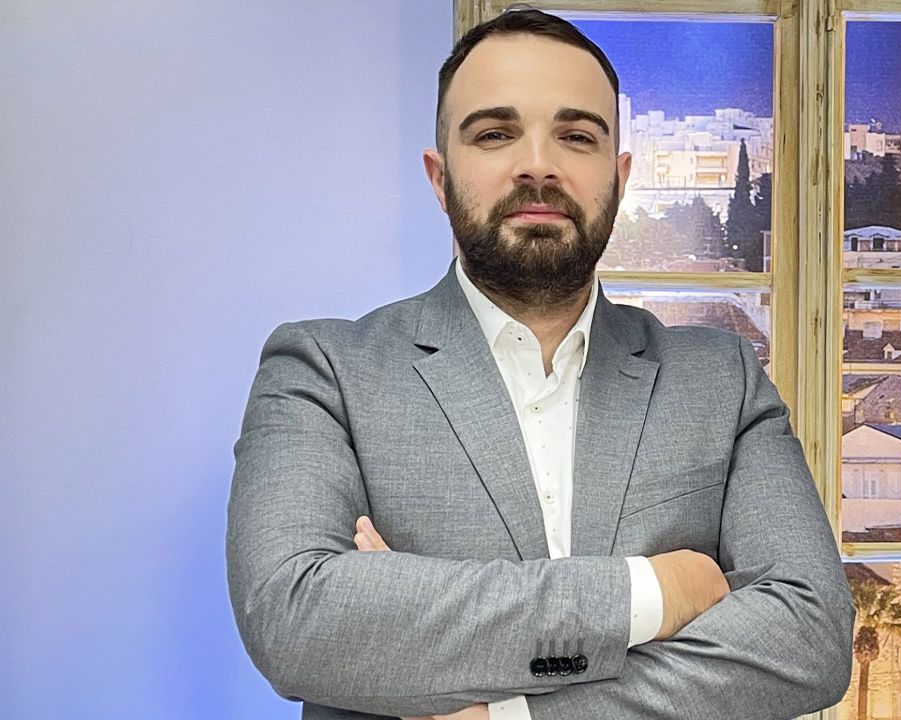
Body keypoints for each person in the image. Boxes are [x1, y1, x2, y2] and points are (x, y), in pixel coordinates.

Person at [225, 9, 853, 719]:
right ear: (439, 178)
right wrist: (657, 591)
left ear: (618, 177)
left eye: (576, 136)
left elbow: (810, 638)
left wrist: (500, 704)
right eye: (495, 134)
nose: (538, 165)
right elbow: (295, 622)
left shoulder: (722, 379)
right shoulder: (323, 372)